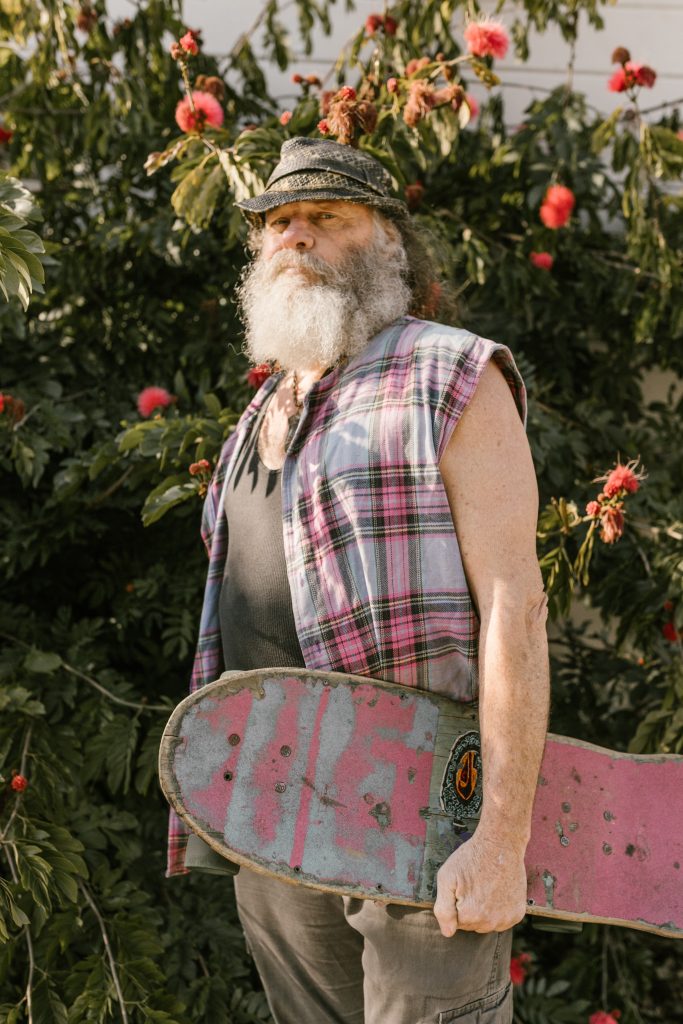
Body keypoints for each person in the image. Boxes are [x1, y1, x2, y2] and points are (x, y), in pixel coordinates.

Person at [166, 137, 550, 1024]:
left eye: (327, 220)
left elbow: (513, 610)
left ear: (386, 244)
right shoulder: (260, 413)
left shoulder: (451, 372)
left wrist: (499, 839)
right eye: (278, 223)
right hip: (274, 815)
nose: (294, 237)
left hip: (422, 816)